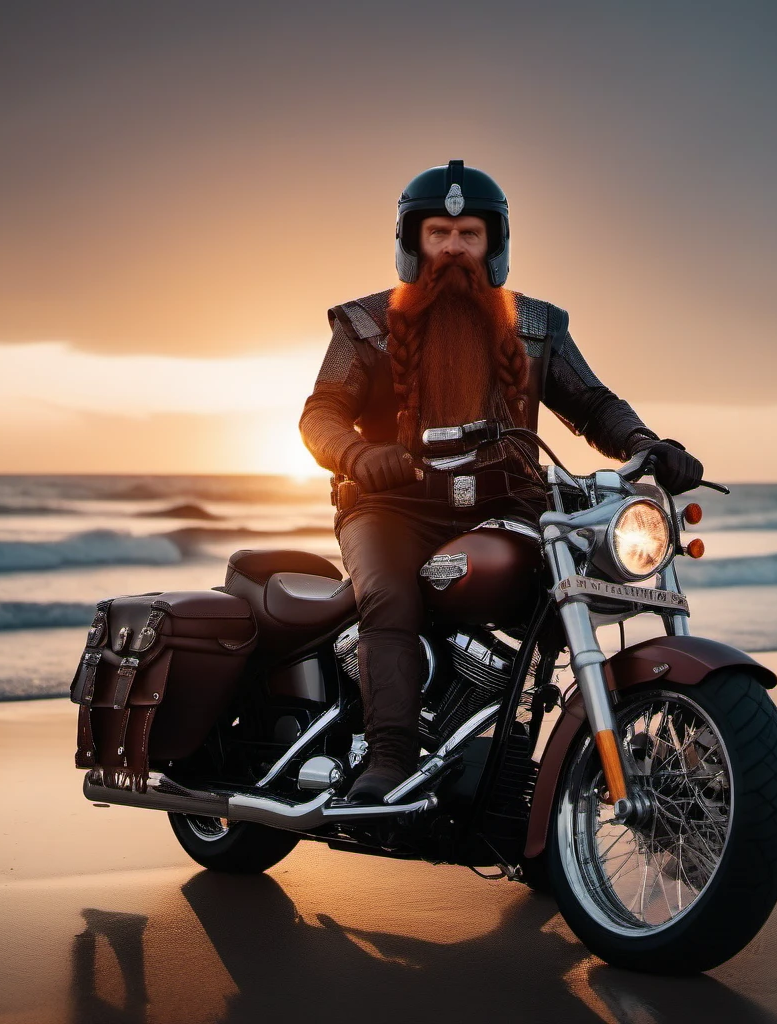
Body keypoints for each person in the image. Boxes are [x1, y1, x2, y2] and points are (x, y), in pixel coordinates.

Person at [299, 161, 703, 803]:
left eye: (469, 234)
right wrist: (355, 454)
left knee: (561, 595)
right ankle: (391, 758)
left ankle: (516, 763)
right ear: (412, 242)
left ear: (494, 244)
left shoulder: (537, 325)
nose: (454, 248)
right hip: (392, 509)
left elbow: (593, 403)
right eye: (439, 232)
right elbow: (319, 414)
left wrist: (646, 444)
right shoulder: (364, 324)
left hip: (508, 503)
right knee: (390, 599)